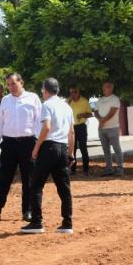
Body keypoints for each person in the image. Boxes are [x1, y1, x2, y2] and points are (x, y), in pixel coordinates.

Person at [0, 73, 41, 223]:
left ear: (21, 83)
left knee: (28, 179)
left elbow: (39, 122)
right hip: (9, 144)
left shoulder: (33, 98)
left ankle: (28, 211)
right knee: (4, 179)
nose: (11, 87)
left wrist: (38, 144)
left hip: (28, 143)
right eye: (9, 84)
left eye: (13, 84)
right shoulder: (5, 100)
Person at [25, 78, 76, 234]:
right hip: (62, 148)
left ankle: (37, 222)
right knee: (64, 188)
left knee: (36, 185)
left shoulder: (46, 105)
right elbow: (71, 132)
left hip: (49, 148)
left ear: (45, 90)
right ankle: (67, 223)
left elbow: (46, 127)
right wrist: (71, 153)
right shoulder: (66, 107)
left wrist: (36, 148)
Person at [93, 81, 123, 176]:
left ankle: (120, 168)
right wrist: (100, 119)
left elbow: (112, 111)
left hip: (113, 127)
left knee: (116, 149)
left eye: (106, 87)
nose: (104, 88)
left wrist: (103, 120)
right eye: (104, 87)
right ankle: (109, 168)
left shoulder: (115, 99)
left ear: (111, 88)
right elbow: (96, 111)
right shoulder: (100, 100)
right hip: (102, 128)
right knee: (106, 150)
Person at [66, 85, 92, 176]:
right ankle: (72, 169)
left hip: (81, 127)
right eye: (71, 92)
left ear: (78, 92)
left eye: (75, 92)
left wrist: (82, 115)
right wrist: (67, 102)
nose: (73, 94)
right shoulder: (68, 102)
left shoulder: (84, 101)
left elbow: (90, 114)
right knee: (72, 149)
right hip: (71, 127)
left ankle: (86, 169)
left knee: (83, 148)